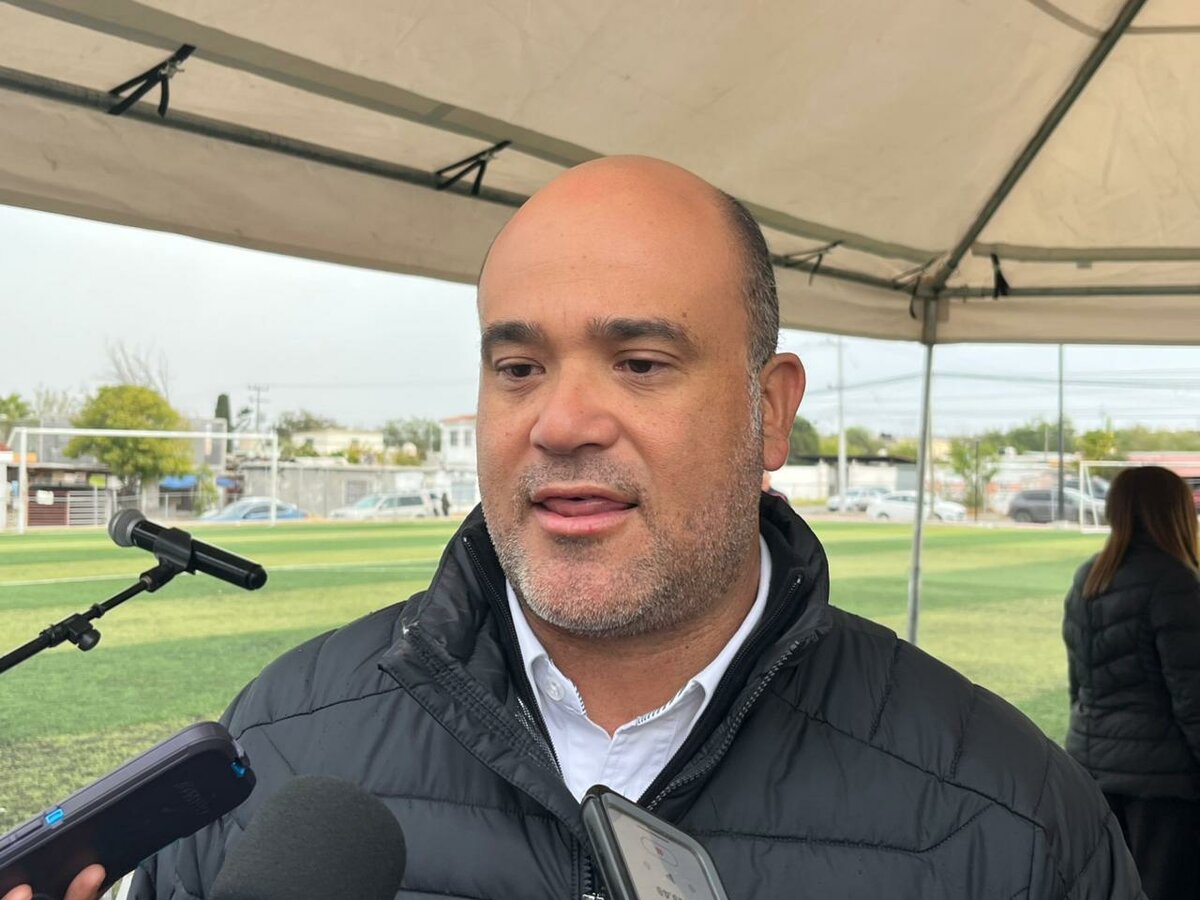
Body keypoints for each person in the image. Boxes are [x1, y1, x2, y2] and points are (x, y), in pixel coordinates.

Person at [10, 157, 1140, 900]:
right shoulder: (284, 744)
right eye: (519, 367)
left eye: (640, 363)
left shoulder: (1014, 817)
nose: (560, 422)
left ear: (771, 409)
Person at [1063, 465, 1200, 898]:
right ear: (1177, 512)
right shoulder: (1175, 582)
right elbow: (1192, 698)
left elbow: (1078, 685)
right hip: (1163, 783)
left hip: (1091, 766)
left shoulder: (1089, 576)